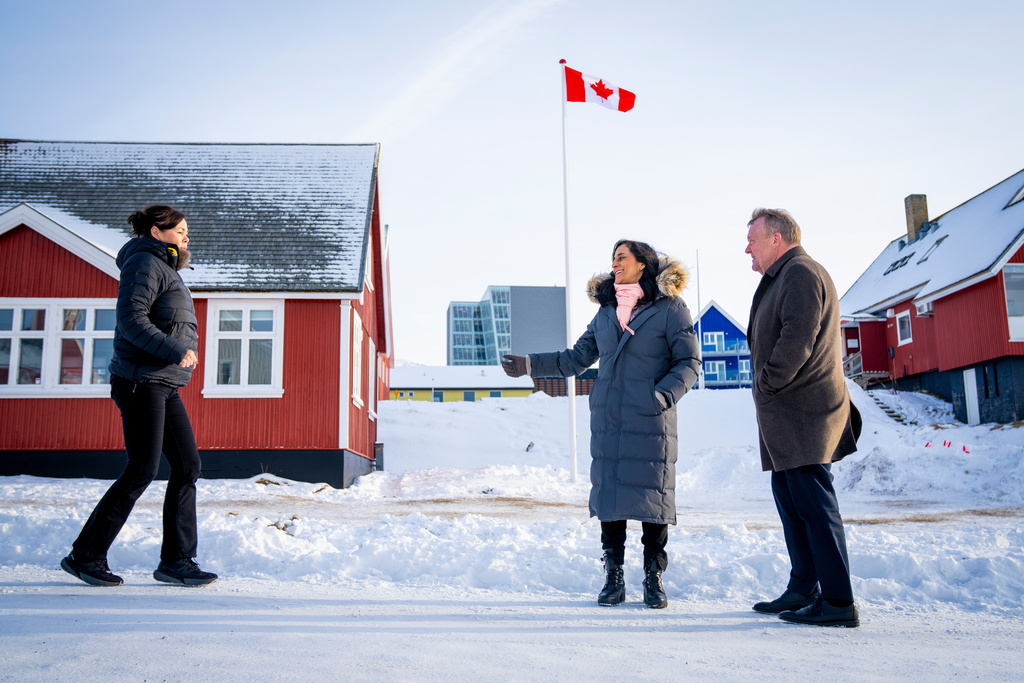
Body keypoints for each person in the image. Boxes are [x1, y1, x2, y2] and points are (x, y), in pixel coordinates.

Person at [502, 240, 700, 608]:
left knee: (651, 499)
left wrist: (662, 396)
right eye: (613, 259)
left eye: (622, 257)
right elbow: (576, 358)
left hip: (651, 419)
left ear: (643, 264)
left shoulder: (671, 308)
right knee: (610, 499)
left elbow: (689, 362)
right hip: (609, 419)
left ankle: (653, 578)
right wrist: (530, 364)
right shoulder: (607, 313)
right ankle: (614, 576)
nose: (614, 264)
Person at [60, 205, 217, 587]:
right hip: (140, 379)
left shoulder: (165, 268)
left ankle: (176, 561)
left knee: (187, 467)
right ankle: (86, 556)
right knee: (142, 469)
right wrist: (173, 348)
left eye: (186, 232)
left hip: (162, 382)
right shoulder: (144, 262)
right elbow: (131, 319)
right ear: (155, 231)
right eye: (179, 230)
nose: (186, 236)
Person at [744, 208, 861, 627]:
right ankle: (803, 588)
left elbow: (799, 335)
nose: (747, 248)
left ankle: (838, 603)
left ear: (777, 239)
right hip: (786, 418)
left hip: (804, 413)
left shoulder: (801, 272)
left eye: (753, 239)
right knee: (792, 503)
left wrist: (767, 383)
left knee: (815, 506)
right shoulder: (784, 276)